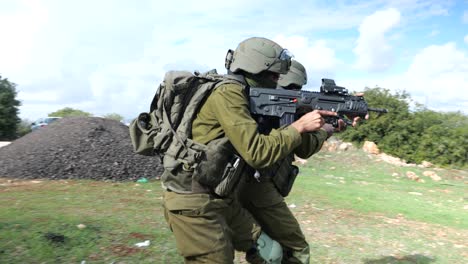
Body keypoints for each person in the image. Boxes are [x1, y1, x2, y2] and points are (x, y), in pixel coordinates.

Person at [161, 37, 343, 263]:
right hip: (195, 201)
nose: (278, 83)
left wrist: (321, 125)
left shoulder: (242, 94)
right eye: (275, 76)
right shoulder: (228, 93)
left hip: (222, 197)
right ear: (258, 69)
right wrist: (300, 126)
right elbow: (257, 153)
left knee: (273, 255)